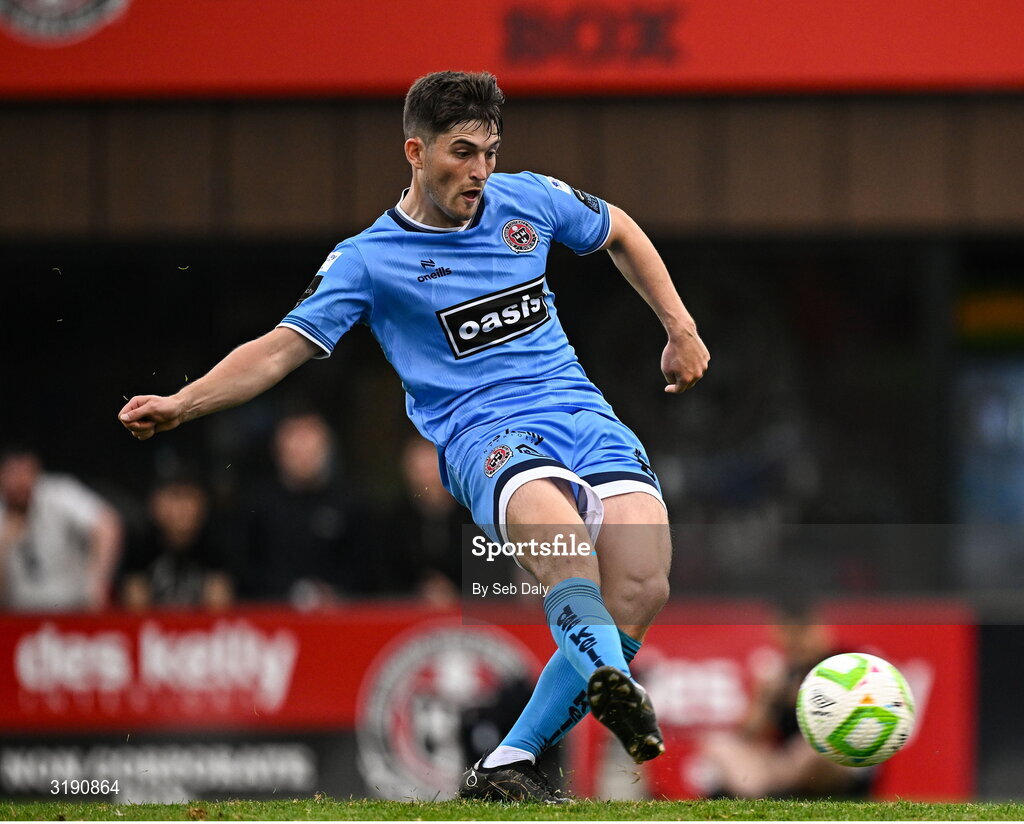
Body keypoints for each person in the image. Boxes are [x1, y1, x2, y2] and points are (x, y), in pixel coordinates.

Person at [117, 71, 709, 802]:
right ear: (415, 151)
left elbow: (618, 228)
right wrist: (183, 404)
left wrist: (679, 327)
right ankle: (609, 682)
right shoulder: (367, 260)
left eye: (490, 151)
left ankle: (508, 760)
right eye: (463, 152)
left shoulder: (527, 199)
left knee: (644, 581)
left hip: (582, 414)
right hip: (481, 435)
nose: (480, 171)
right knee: (563, 545)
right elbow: (279, 348)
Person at [699, 608, 873, 799]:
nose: (799, 644)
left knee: (813, 751)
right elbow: (749, 734)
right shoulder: (783, 673)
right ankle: (763, 794)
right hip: (785, 763)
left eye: (803, 634)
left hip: (838, 758)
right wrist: (765, 698)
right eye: (790, 636)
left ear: (821, 631)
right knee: (718, 744)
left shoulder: (844, 664)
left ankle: (764, 790)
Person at [237, 411, 363, 605]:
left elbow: (362, 570)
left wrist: (336, 593)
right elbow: (246, 568)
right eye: (296, 448)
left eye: (311, 448)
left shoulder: (349, 503)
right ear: (278, 451)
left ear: (327, 451)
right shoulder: (257, 504)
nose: (304, 454)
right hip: (271, 619)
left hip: (336, 617)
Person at [0, 445, 122, 611]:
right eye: (14, 473)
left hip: (73, 610)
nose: (21, 482)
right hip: (19, 616)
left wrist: (97, 584)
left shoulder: (58, 493)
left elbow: (107, 525)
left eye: (26, 472)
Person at [119, 474, 233, 610]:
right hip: (152, 628)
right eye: (176, 497)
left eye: (191, 497)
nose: (184, 508)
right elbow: (134, 609)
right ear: (155, 504)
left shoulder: (216, 543)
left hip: (199, 629)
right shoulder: (139, 544)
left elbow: (219, 609)